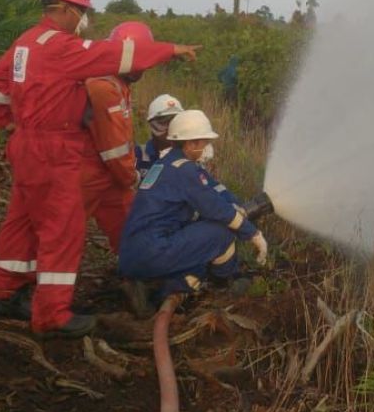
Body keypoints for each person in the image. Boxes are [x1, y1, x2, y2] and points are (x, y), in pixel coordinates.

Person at [0, 0, 199, 338]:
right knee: (61, 229)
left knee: (21, 220)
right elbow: (119, 55)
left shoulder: (26, 43)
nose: (82, 20)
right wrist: (170, 50)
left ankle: (6, 293)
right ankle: (51, 314)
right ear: (67, 7)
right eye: (81, 11)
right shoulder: (63, 48)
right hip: (55, 149)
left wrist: (11, 123)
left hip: (27, 146)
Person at [118, 110, 267, 300]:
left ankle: (151, 289)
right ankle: (225, 283)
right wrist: (253, 234)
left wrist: (234, 206)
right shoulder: (185, 170)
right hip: (154, 251)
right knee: (222, 232)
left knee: (199, 250)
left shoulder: (165, 163)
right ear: (190, 144)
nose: (207, 147)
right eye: (204, 142)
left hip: (133, 255)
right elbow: (216, 209)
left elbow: (211, 195)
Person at [80, 21, 152, 255]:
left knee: (129, 227)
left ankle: (137, 274)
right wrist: (130, 176)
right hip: (88, 174)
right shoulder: (105, 87)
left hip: (107, 175)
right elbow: (114, 148)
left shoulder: (116, 82)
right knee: (63, 236)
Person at [134, 93, 183, 176]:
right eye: (163, 123)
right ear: (151, 124)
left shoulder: (188, 155)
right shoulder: (138, 155)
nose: (170, 130)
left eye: (175, 123)